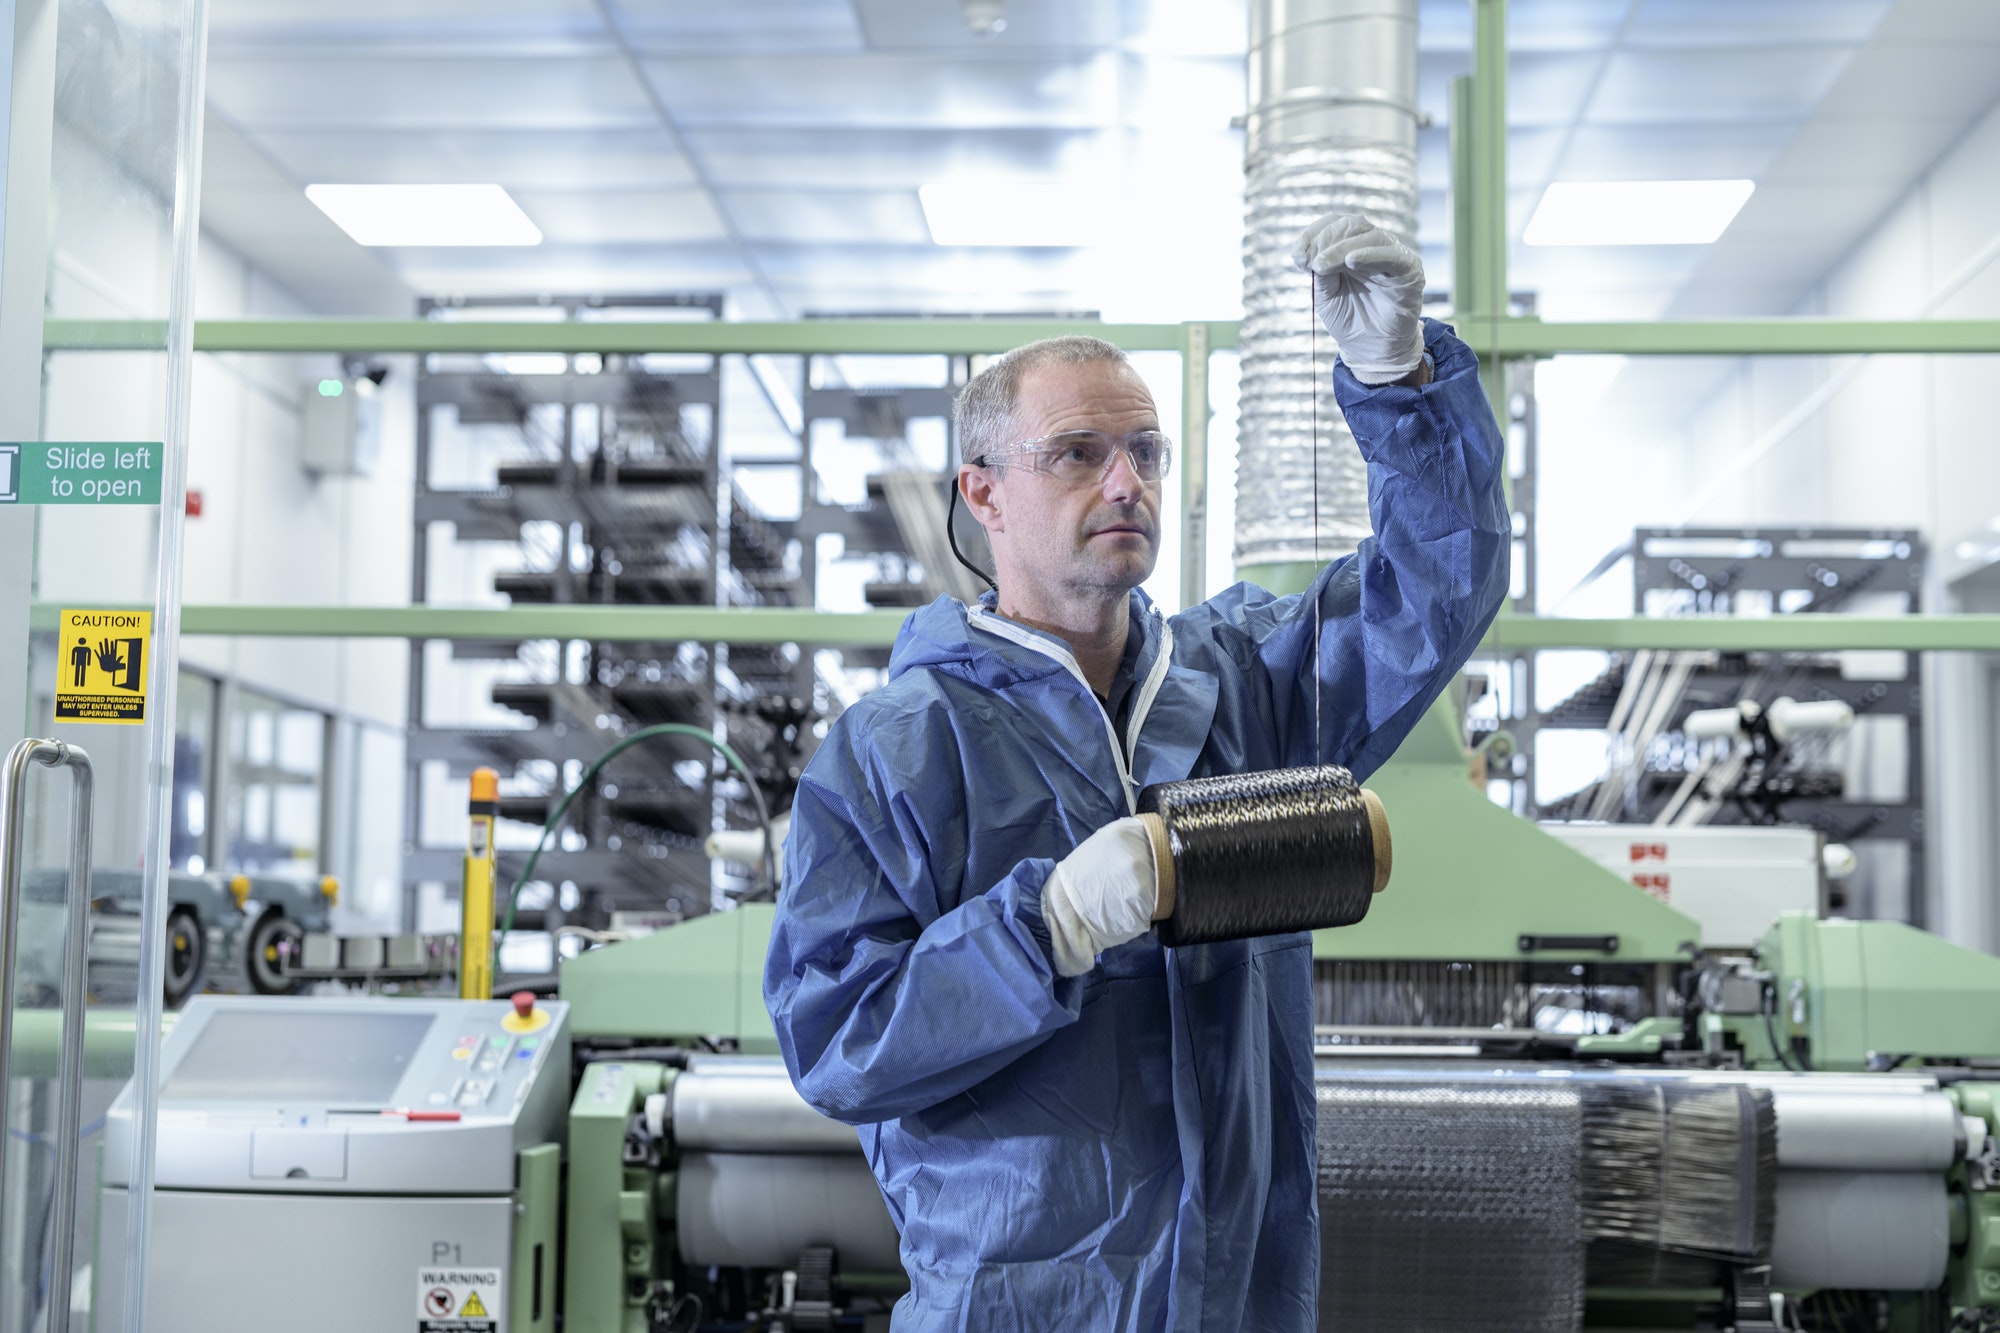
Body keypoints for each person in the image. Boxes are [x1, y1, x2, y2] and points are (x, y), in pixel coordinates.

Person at [763, 213, 1511, 1330]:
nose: (1125, 481)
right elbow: (836, 1040)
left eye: (1146, 451)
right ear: (982, 494)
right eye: (1077, 453)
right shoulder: (897, 749)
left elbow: (1433, 592)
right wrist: (1047, 925)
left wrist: (1394, 380)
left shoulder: (1248, 682)